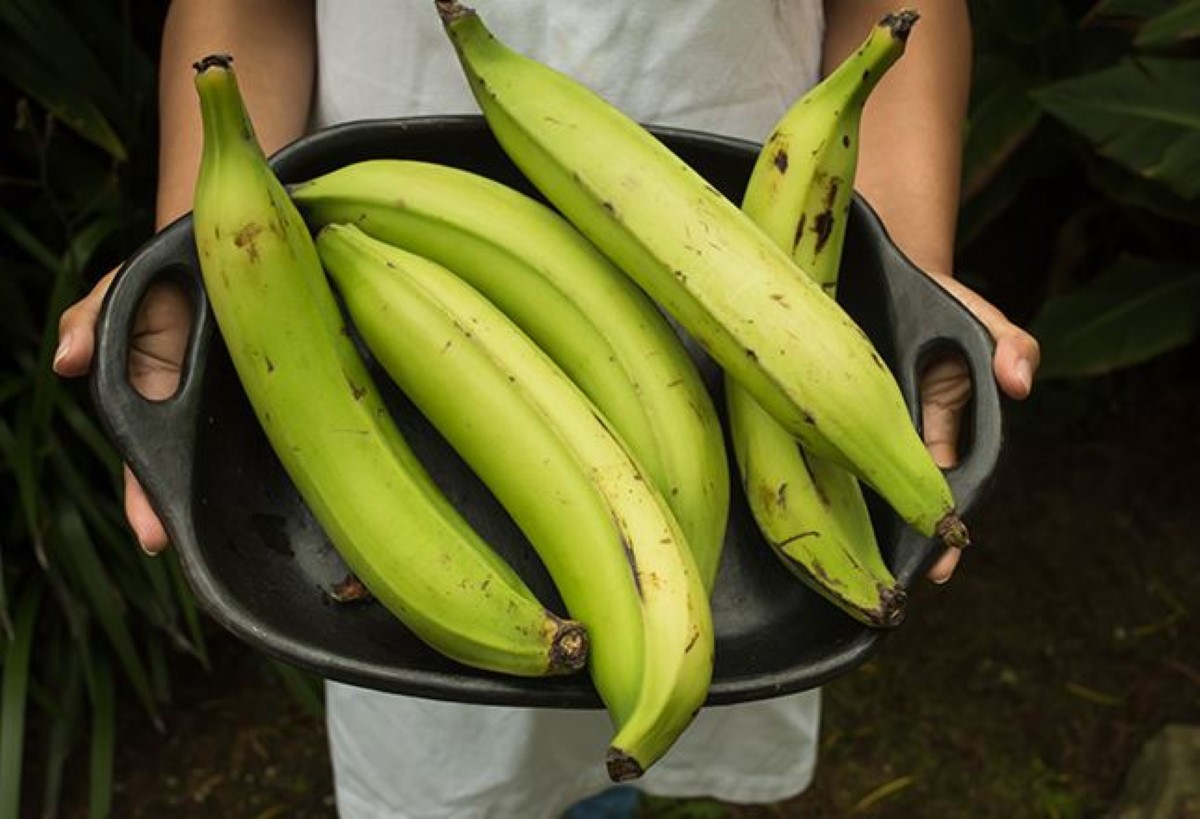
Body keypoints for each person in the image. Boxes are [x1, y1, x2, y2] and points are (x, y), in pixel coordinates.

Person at [53, 1, 1041, 816]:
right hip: (380, 270)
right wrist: (211, 245)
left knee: (662, 670)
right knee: (472, 754)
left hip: (743, 267)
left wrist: (905, 281)